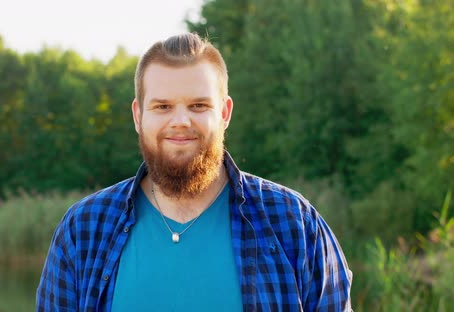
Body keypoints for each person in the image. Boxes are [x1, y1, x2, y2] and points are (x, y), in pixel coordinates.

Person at [36, 32, 352, 312]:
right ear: (138, 115)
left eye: (199, 106)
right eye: (162, 106)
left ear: (225, 112)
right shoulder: (84, 229)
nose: (181, 121)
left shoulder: (293, 223)